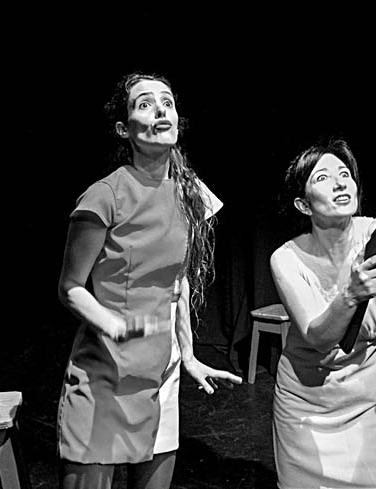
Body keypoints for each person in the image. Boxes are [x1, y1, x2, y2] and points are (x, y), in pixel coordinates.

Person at [56, 71, 242, 489]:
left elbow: (180, 282)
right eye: (144, 104)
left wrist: (188, 354)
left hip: (160, 374)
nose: (160, 110)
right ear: (124, 129)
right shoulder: (105, 195)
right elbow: (70, 287)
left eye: (167, 102)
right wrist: (114, 325)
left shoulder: (188, 193)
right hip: (106, 373)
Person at [270, 139, 376, 488]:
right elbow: (319, 338)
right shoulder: (286, 258)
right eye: (323, 178)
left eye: (345, 174)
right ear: (303, 205)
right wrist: (350, 295)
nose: (339, 183)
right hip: (310, 406)